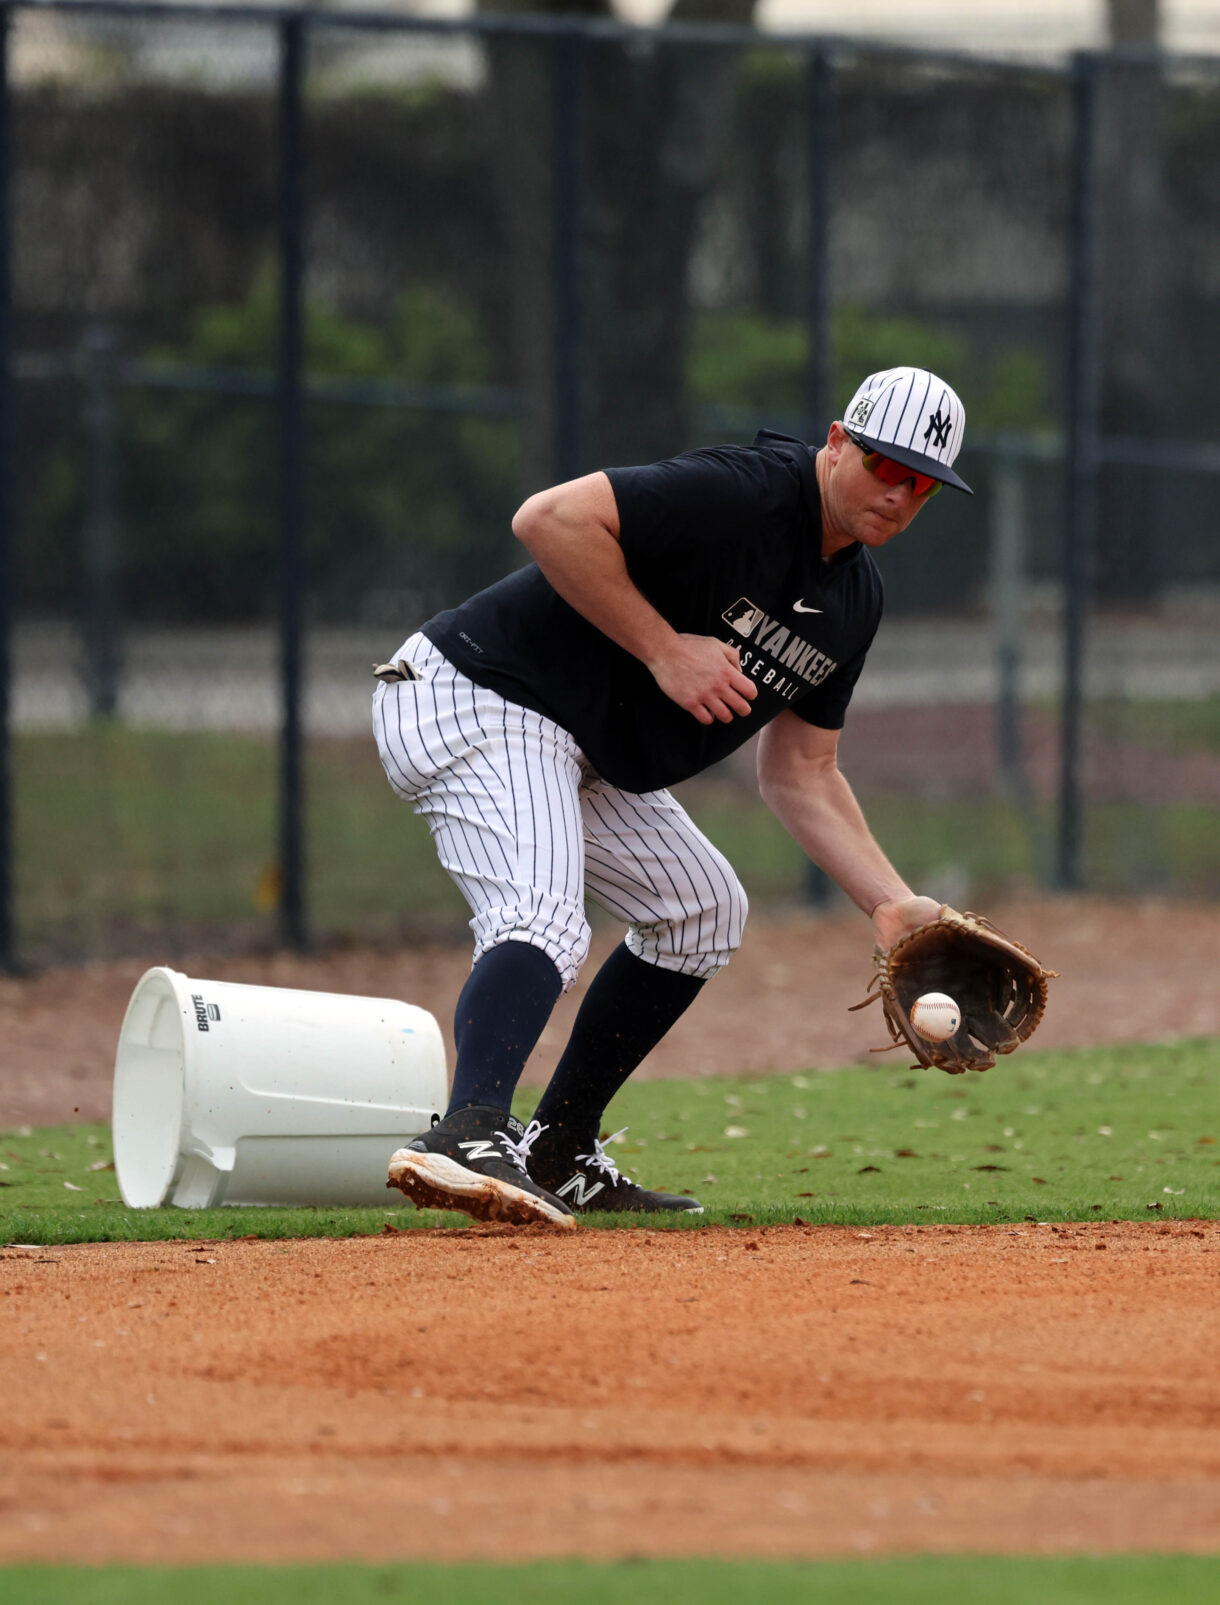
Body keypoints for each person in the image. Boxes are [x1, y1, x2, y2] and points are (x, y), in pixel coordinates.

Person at [374, 366, 973, 1227]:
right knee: (542, 913)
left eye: (922, 485)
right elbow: (549, 518)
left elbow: (801, 770)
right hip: (477, 691)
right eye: (884, 465)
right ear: (838, 442)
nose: (899, 494)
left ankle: (559, 1145)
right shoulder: (747, 494)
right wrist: (664, 648)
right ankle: (466, 1130)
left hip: (577, 745)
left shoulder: (853, 602)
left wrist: (889, 904)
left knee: (702, 909)